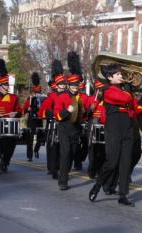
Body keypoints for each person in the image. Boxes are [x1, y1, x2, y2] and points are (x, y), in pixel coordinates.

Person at [88, 63, 135, 206]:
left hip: (127, 126)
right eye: (118, 74)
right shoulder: (107, 90)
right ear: (109, 77)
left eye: (121, 73)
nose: (121, 76)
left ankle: (123, 195)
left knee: (126, 162)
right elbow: (125, 99)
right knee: (112, 162)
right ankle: (98, 185)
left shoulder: (124, 90)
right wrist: (129, 88)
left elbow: (132, 108)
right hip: (113, 127)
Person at [54, 53, 85, 190]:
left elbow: (82, 115)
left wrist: (88, 111)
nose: (75, 87)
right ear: (68, 85)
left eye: (77, 85)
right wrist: (67, 110)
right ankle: (63, 181)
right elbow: (57, 116)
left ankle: (64, 172)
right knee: (66, 152)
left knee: (72, 153)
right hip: (64, 127)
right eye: (73, 85)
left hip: (75, 128)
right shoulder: (61, 97)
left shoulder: (80, 97)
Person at [0, 59, 22, 172]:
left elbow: (19, 111)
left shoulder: (13, 97)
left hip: (9, 124)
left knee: (10, 144)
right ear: (0, 86)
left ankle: (5, 161)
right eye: (5, 86)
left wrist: (16, 113)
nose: (7, 88)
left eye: (8, 86)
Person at [38, 59, 65, 179]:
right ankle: (53, 168)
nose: (63, 85)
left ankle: (60, 168)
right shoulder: (52, 96)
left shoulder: (69, 96)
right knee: (52, 147)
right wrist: (47, 113)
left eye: (64, 83)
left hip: (65, 124)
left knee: (64, 149)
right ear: (57, 85)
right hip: (53, 125)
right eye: (61, 84)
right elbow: (41, 111)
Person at [23, 72, 44, 161]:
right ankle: (29, 156)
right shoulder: (29, 99)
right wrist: (27, 109)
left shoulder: (43, 99)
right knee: (30, 138)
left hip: (39, 118)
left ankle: (36, 150)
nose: (36, 94)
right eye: (35, 92)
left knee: (40, 137)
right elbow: (24, 109)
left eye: (38, 92)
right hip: (31, 119)